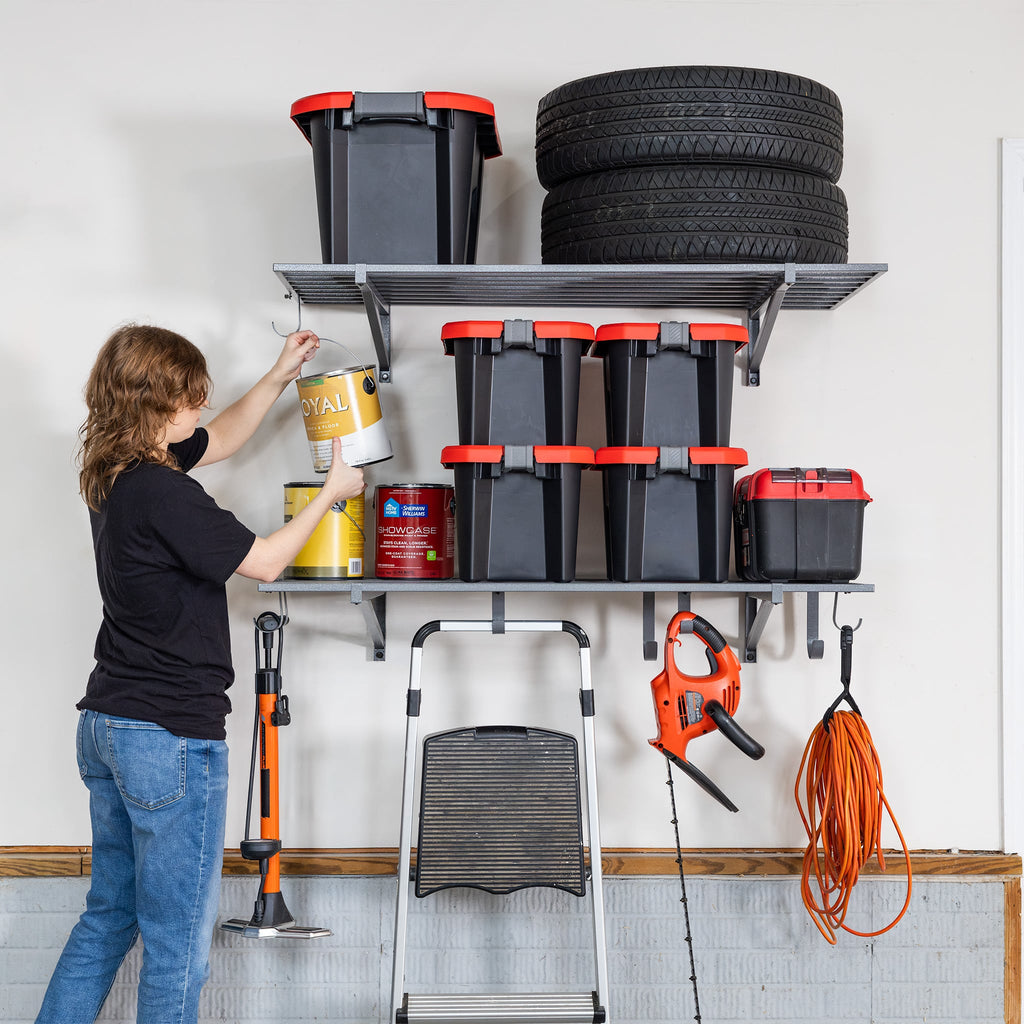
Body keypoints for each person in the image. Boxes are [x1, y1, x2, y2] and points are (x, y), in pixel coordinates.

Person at [36, 324, 365, 1024]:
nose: (200, 408)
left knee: (108, 921)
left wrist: (280, 373)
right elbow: (268, 562)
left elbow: (222, 439)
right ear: (158, 402)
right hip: (168, 737)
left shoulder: (112, 472)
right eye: (189, 398)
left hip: (107, 726)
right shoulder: (166, 494)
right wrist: (332, 490)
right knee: (178, 945)